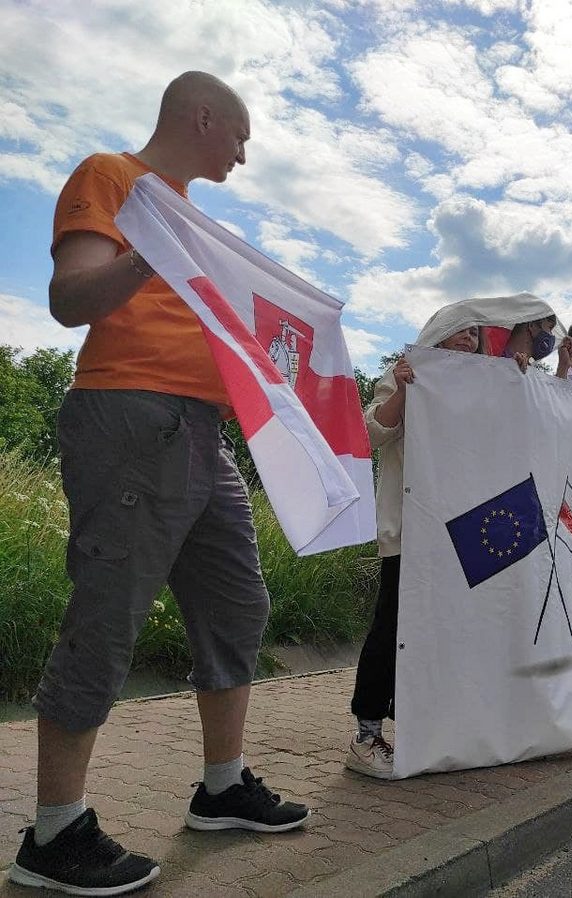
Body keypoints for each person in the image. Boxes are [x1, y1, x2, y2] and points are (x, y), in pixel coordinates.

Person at [11, 72, 308, 897]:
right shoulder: (112, 177)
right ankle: (54, 833)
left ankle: (223, 787)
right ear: (202, 117)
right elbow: (71, 299)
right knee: (109, 610)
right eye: (240, 135)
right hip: (131, 415)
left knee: (239, 601)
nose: (245, 153)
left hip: (202, 434)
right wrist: (152, 255)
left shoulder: (192, 219)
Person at [348, 296, 557, 777]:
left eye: (474, 334)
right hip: (412, 531)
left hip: (467, 537)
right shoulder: (411, 370)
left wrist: (520, 380)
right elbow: (370, 433)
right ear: (438, 334)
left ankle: (442, 725)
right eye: (459, 332)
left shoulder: (490, 380)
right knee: (393, 626)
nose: (467, 340)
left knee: (456, 631)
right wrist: (402, 390)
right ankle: (366, 733)